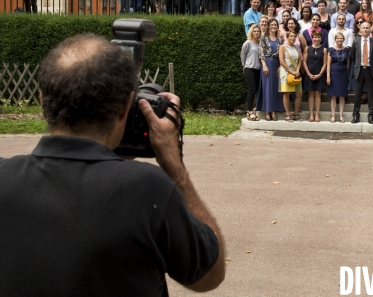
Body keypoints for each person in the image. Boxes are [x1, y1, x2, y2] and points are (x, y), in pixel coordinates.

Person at [0, 33, 225, 295]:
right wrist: (176, 170)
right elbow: (209, 275)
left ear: (41, 100)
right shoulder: (146, 189)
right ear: (125, 107)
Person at [350, 21, 373, 124]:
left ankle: (371, 115)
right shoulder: (356, 42)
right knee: (357, 94)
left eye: (367, 28)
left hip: (370, 70)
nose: (366, 29)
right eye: (364, 28)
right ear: (360, 29)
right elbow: (353, 56)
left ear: (370, 29)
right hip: (359, 70)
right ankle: (355, 115)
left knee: (371, 94)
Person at [257, 19, 284, 120]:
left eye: (275, 25)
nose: (273, 27)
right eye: (271, 25)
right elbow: (261, 52)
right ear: (268, 26)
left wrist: (281, 66)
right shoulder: (263, 38)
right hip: (267, 63)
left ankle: (274, 110)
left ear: (277, 27)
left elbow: (282, 54)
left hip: (277, 63)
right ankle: (267, 111)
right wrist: (264, 65)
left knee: (275, 88)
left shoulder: (279, 39)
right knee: (267, 87)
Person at [302, 31, 328, 122]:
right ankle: (311, 114)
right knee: (310, 94)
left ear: (321, 38)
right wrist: (308, 73)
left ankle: (317, 114)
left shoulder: (324, 49)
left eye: (318, 37)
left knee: (318, 93)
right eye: (315, 37)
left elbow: (325, 63)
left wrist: (320, 74)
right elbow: (304, 62)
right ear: (312, 38)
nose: (316, 39)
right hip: (309, 73)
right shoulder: (307, 48)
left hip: (319, 73)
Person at [279, 29, 303, 122]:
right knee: (287, 93)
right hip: (286, 72)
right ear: (287, 37)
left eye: (294, 36)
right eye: (291, 36)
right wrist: (290, 71)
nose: (293, 38)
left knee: (299, 94)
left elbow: (300, 60)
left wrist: (297, 70)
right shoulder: (283, 47)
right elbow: (281, 60)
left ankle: (296, 114)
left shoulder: (297, 47)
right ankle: (287, 114)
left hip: (296, 73)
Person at [327, 32, 351, 123]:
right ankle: (333, 115)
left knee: (342, 95)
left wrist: (346, 74)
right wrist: (328, 76)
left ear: (343, 39)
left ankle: (341, 115)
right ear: (335, 39)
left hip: (343, 73)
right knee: (333, 95)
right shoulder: (331, 50)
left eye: (341, 38)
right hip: (333, 73)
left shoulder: (347, 50)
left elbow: (348, 64)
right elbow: (328, 64)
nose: (339, 40)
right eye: (338, 38)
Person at [241, 24, 262, 121]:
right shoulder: (247, 43)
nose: (256, 33)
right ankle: (249, 111)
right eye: (255, 31)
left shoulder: (260, 43)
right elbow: (243, 56)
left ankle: (256, 109)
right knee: (251, 90)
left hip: (258, 69)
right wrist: (244, 67)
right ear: (251, 32)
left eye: (258, 31)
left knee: (258, 90)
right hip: (249, 69)